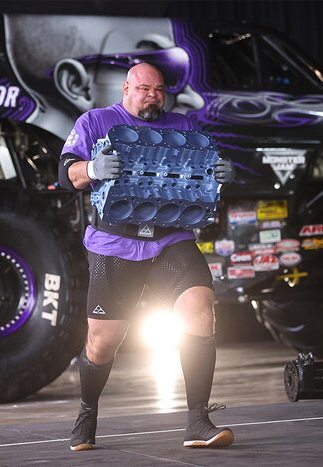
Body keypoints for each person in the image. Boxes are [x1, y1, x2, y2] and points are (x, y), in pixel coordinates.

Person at [58, 62, 235, 451]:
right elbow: (66, 173)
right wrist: (92, 168)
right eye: (144, 88)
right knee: (101, 344)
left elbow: (202, 174)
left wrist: (218, 172)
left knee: (199, 308)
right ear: (126, 89)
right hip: (115, 244)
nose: (152, 95)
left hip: (170, 239)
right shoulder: (97, 121)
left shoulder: (183, 126)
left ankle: (197, 421)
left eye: (158, 89)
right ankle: (87, 413)